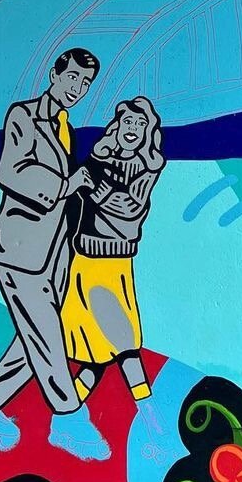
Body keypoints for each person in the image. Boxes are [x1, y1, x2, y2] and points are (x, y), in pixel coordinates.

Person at [0, 47, 110, 460]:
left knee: (34, 337)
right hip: (19, 248)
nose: (77, 89)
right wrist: (65, 184)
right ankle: (69, 418)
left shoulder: (65, 125)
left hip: (54, 248)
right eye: (73, 78)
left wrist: (80, 190)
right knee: (45, 333)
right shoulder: (24, 116)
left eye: (85, 83)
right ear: (55, 75)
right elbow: (9, 171)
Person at [62, 97, 165, 402]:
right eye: (128, 122)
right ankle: (72, 407)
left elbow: (130, 206)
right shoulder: (99, 157)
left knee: (121, 340)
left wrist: (95, 188)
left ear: (147, 132)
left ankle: (148, 412)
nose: (132, 128)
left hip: (113, 262)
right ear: (117, 126)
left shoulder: (146, 166)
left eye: (140, 124)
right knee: (94, 346)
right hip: (83, 257)